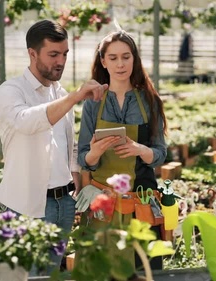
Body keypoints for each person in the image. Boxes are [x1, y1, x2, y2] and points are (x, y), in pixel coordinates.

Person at [0, 19, 108, 276]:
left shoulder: (60, 93)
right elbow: (27, 122)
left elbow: (68, 146)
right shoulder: (11, 91)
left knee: (50, 274)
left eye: (65, 54)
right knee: (25, 275)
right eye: (53, 54)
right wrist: (74, 97)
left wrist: (76, 184)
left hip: (63, 204)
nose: (61, 61)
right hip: (27, 206)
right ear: (32, 53)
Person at [76, 29, 168, 281]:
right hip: (103, 202)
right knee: (104, 272)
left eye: (126, 57)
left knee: (143, 270)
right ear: (103, 62)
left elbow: (161, 154)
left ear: (134, 59)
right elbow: (83, 157)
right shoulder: (93, 103)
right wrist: (94, 153)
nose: (120, 64)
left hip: (141, 197)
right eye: (113, 58)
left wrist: (140, 150)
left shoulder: (149, 100)